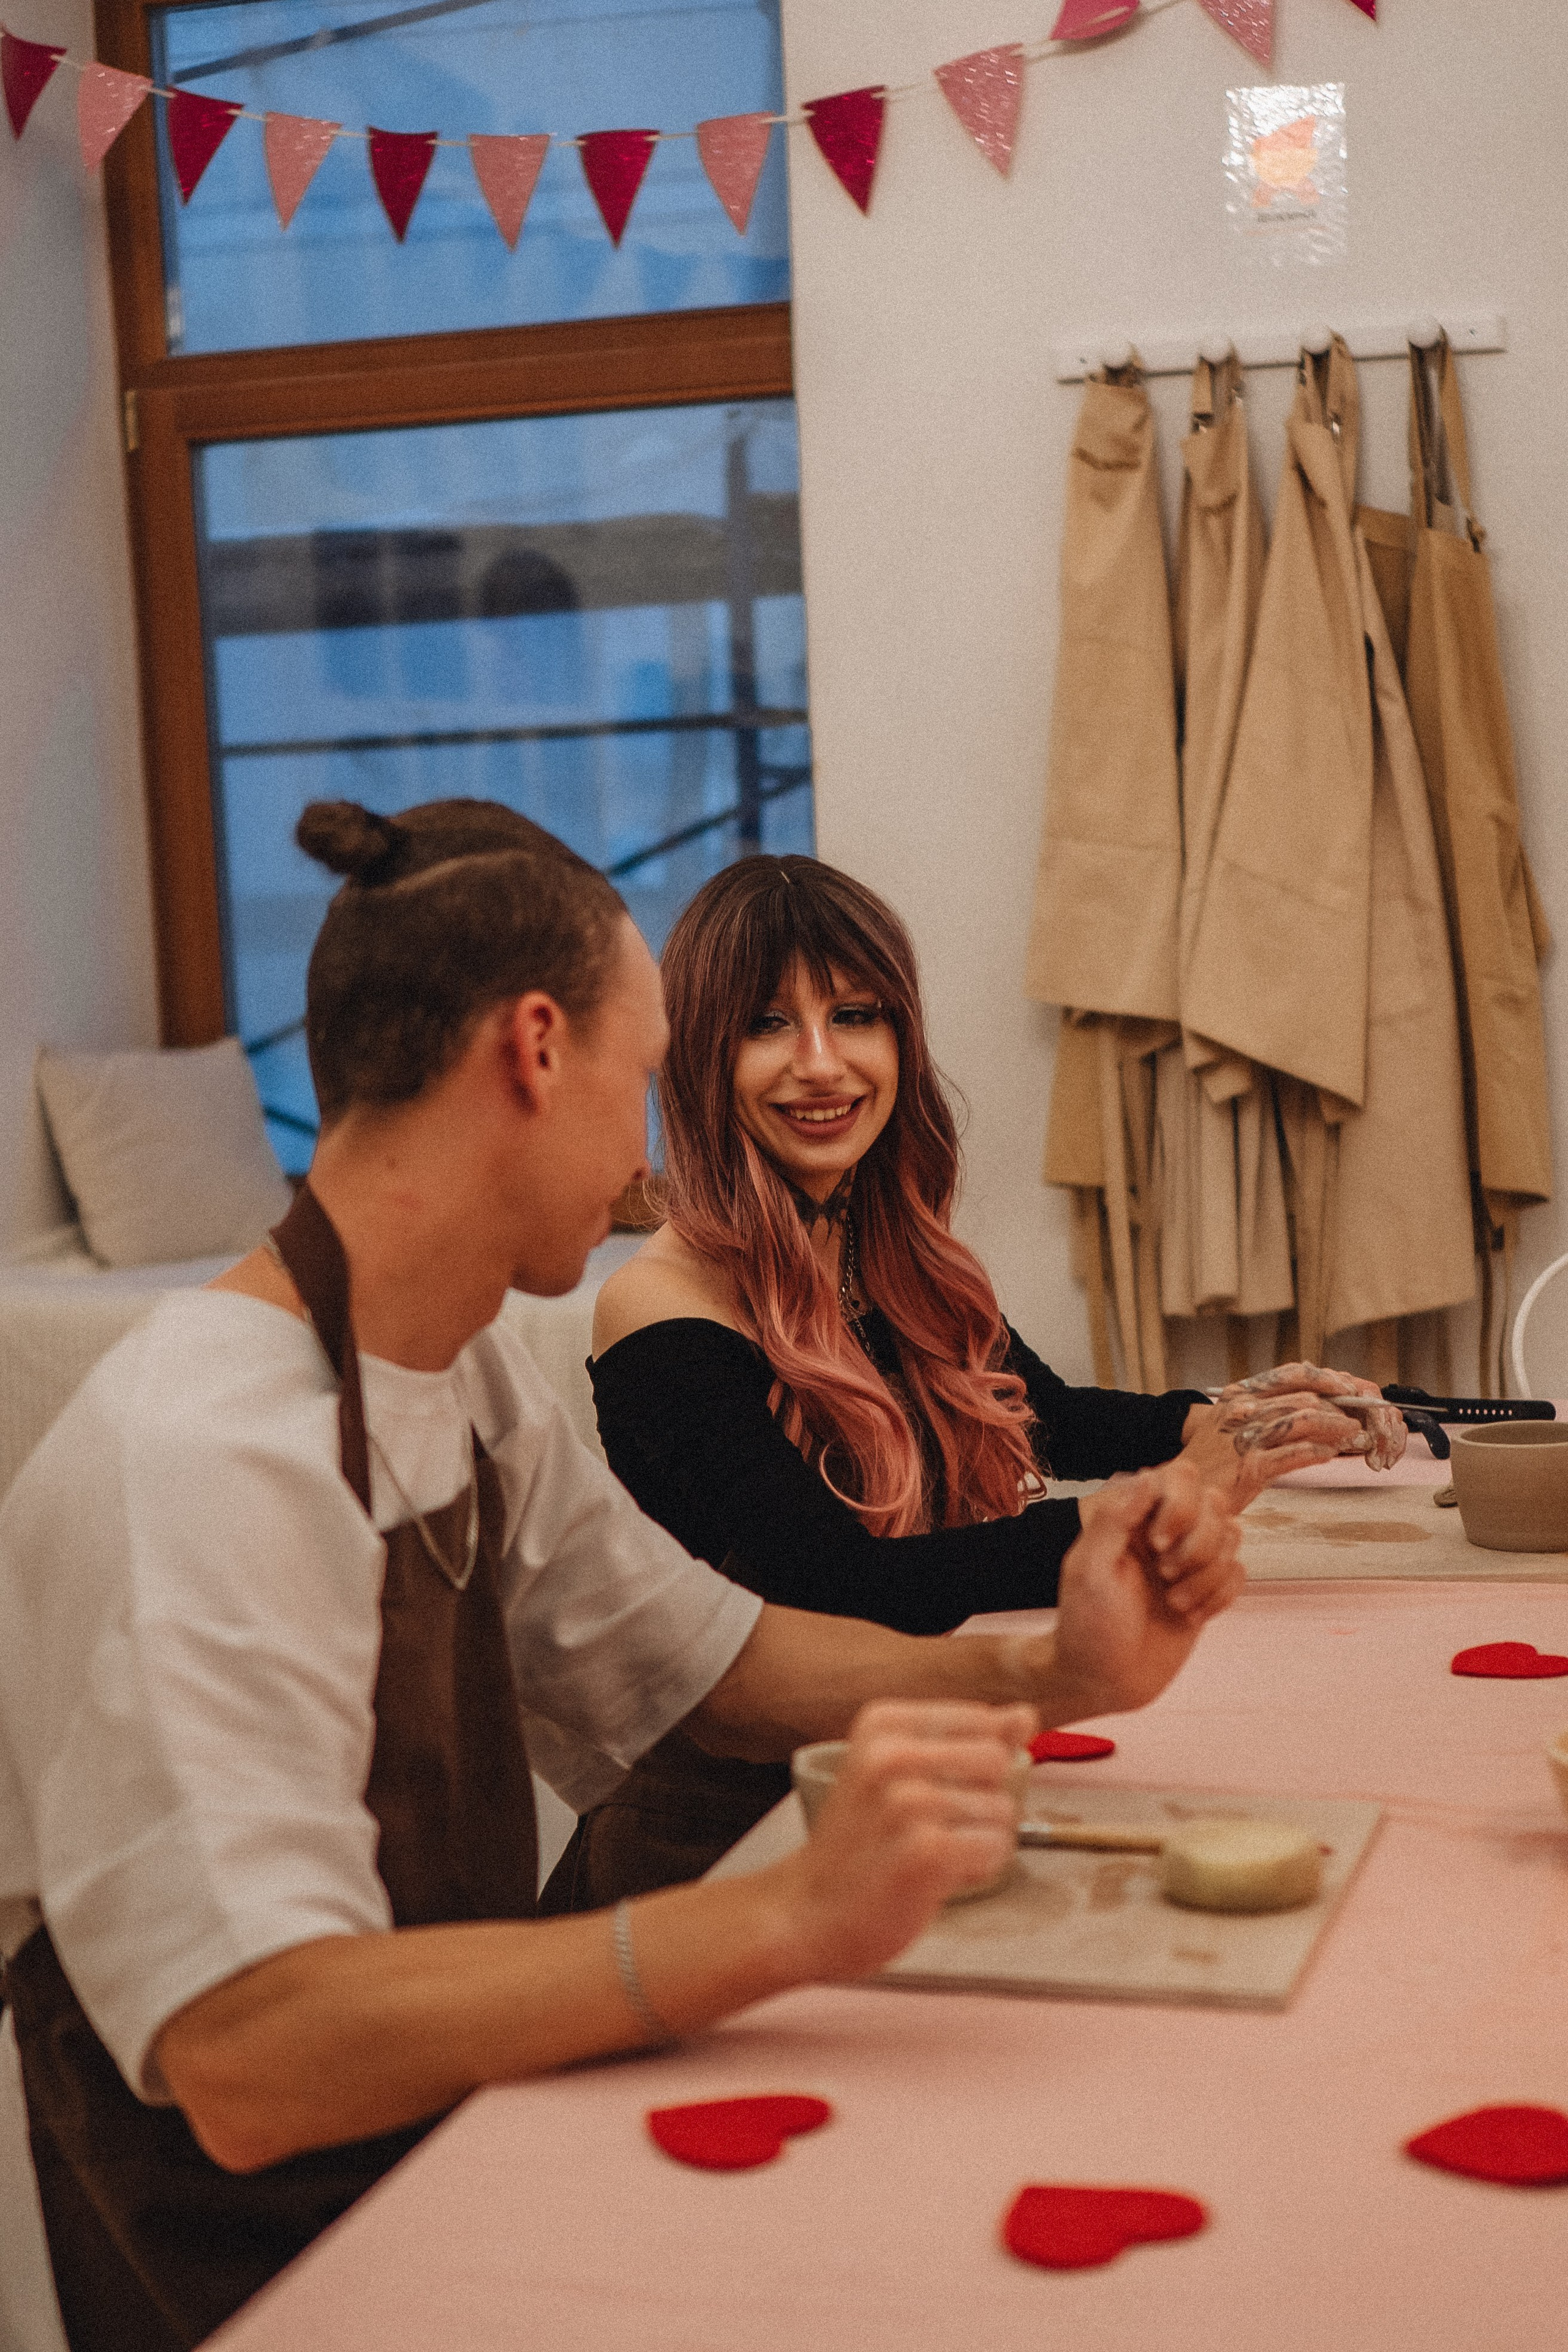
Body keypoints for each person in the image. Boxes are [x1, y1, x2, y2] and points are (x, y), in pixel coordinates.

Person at [0, 799, 1245, 2352]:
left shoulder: (456, 1376)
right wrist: (789, 1919)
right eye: (647, 1072)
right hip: (274, 2253)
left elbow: (709, 1663)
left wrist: (1047, 1668)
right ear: (536, 1051)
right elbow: (254, 2058)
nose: (652, 1146)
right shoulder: (196, 1459)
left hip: (452, 2138)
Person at [568, 853, 1407, 1905]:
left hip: (913, 1782)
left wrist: (1241, 1415)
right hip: (728, 1841)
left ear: (902, 1042)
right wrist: (1159, 1507)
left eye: (855, 1016)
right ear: (699, 1058)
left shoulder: (884, 1252)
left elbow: (1046, 1420)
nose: (822, 1064)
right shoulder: (658, 1309)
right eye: (767, 1025)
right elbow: (835, 1590)